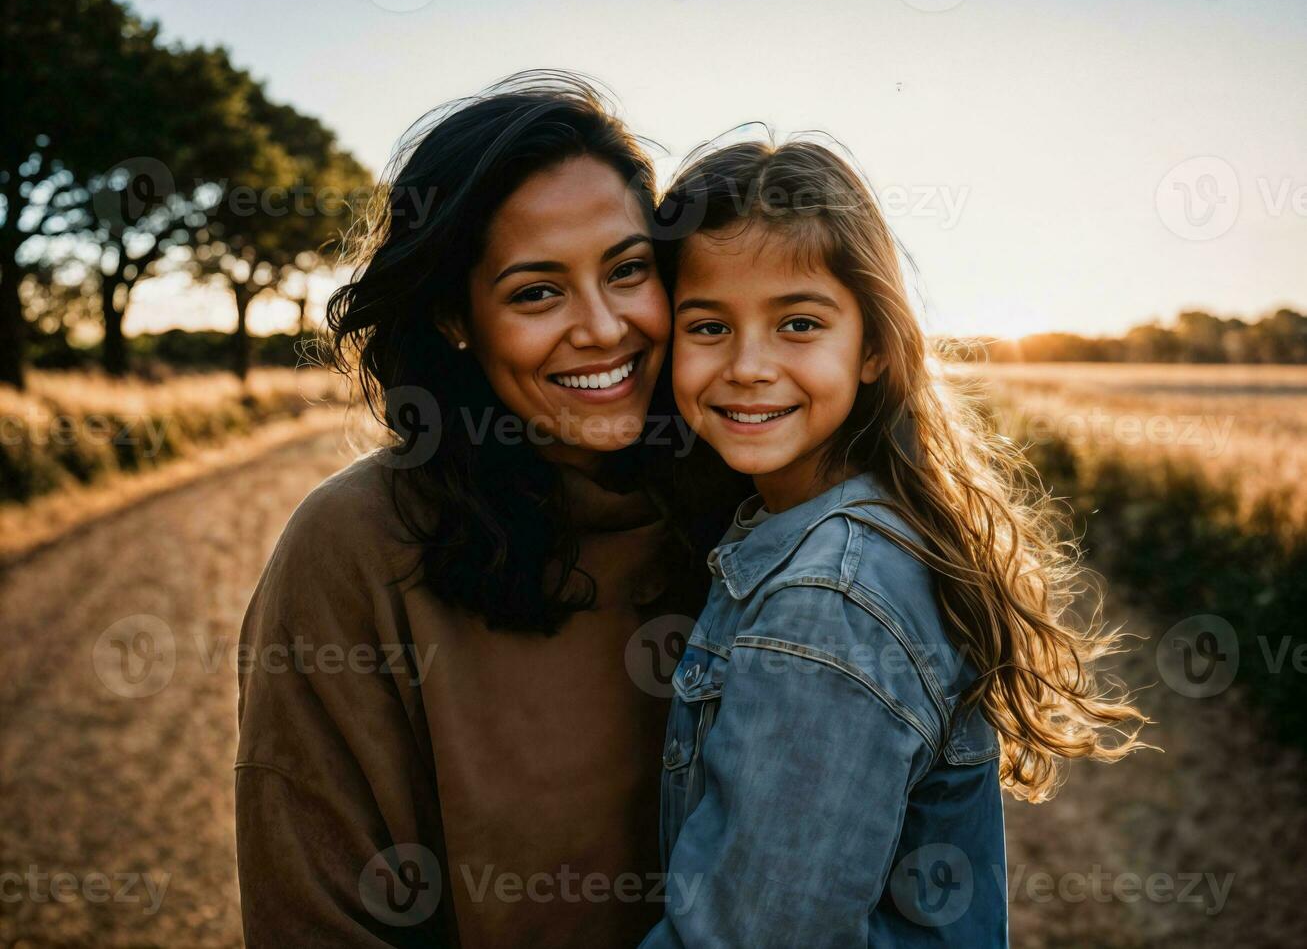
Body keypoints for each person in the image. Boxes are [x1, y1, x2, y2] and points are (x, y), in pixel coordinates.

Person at [234, 73, 735, 948]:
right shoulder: (356, 545)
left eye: (626, 270)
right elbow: (318, 917)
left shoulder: (749, 504)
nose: (603, 328)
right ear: (454, 317)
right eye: (537, 291)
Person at [639, 138, 1148, 946]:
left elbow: (750, 935)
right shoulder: (819, 529)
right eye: (707, 326)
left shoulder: (826, 602)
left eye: (798, 323)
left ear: (873, 346)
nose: (747, 366)